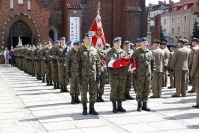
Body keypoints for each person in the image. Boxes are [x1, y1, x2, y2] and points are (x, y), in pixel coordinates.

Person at [75, 33, 101, 115]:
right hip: (83, 75)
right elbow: (77, 64)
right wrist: (78, 75)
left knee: (93, 91)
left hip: (93, 75)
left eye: (90, 38)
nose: (89, 39)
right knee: (83, 91)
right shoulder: (80, 50)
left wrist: (98, 75)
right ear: (84, 39)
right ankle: (84, 108)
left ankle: (92, 108)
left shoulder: (94, 50)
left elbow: (98, 63)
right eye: (87, 38)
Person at [107, 37, 130, 113]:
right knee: (114, 90)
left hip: (122, 75)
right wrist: (117, 62)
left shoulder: (123, 52)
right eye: (117, 42)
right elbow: (109, 63)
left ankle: (120, 105)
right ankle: (114, 106)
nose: (118, 43)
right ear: (113, 43)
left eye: (119, 42)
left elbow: (127, 62)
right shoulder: (110, 52)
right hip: (114, 75)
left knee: (121, 90)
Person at [133, 37, 155, 112]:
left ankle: (145, 104)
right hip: (139, 74)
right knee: (139, 89)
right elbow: (133, 63)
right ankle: (139, 104)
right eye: (143, 42)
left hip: (148, 74)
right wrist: (134, 72)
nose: (144, 43)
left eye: (146, 42)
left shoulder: (150, 52)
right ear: (140, 43)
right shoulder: (136, 52)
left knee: (147, 89)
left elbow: (153, 63)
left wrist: (152, 72)